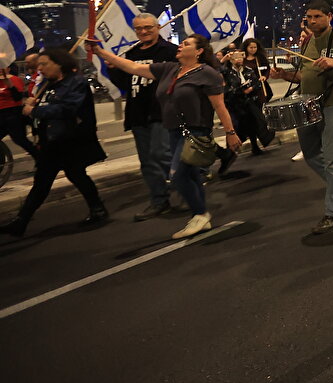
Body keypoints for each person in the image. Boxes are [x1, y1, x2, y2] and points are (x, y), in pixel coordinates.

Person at [92, 35, 242, 237]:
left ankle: (200, 214)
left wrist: (230, 133)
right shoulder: (169, 69)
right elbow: (133, 67)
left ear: (198, 51)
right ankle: (200, 215)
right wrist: (100, 52)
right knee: (189, 175)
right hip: (172, 130)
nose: (180, 45)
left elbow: (219, 106)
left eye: (186, 44)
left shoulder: (207, 74)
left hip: (195, 131)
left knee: (178, 176)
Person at [270, 0, 333, 233]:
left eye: (317, 16)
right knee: (311, 155)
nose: (311, 21)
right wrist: (283, 74)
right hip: (307, 105)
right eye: (308, 17)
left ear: (329, 16)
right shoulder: (308, 40)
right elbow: (305, 76)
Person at [0, 49, 109, 236]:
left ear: (59, 64)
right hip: (52, 142)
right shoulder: (48, 85)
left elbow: (67, 109)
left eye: (44, 64)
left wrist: (35, 111)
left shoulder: (76, 82)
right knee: (43, 182)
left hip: (71, 141)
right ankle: (21, 221)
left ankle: (97, 209)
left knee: (76, 175)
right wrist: (31, 108)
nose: (40, 68)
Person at [102, 13, 181, 219]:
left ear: (157, 27)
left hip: (162, 111)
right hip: (138, 113)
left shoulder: (171, 51)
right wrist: (113, 69)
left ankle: (188, 190)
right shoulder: (131, 53)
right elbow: (124, 85)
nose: (144, 32)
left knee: (161, 154)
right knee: (147, 161)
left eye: (148, 27)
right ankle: (159, 200)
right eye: (139, 29)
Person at [223, 49, 269, 155]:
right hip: (234, 103)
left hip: (248, 101)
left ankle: (255, 146)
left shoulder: (248, 70)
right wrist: (224, 59)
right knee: (235, 125)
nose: (239, 59)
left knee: (252, 124)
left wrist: (251, 89)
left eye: (241, 57)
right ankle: (231, 151)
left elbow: (257, 83)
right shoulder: (227, 71)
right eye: (236, 57)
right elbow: (217, 71)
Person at [0, 62, 37, 160]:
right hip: (1, 114)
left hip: (13, 113)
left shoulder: (14, 79)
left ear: (8, 69)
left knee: (20, 140)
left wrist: (11, 86)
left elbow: (18, 98)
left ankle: (40, 158)